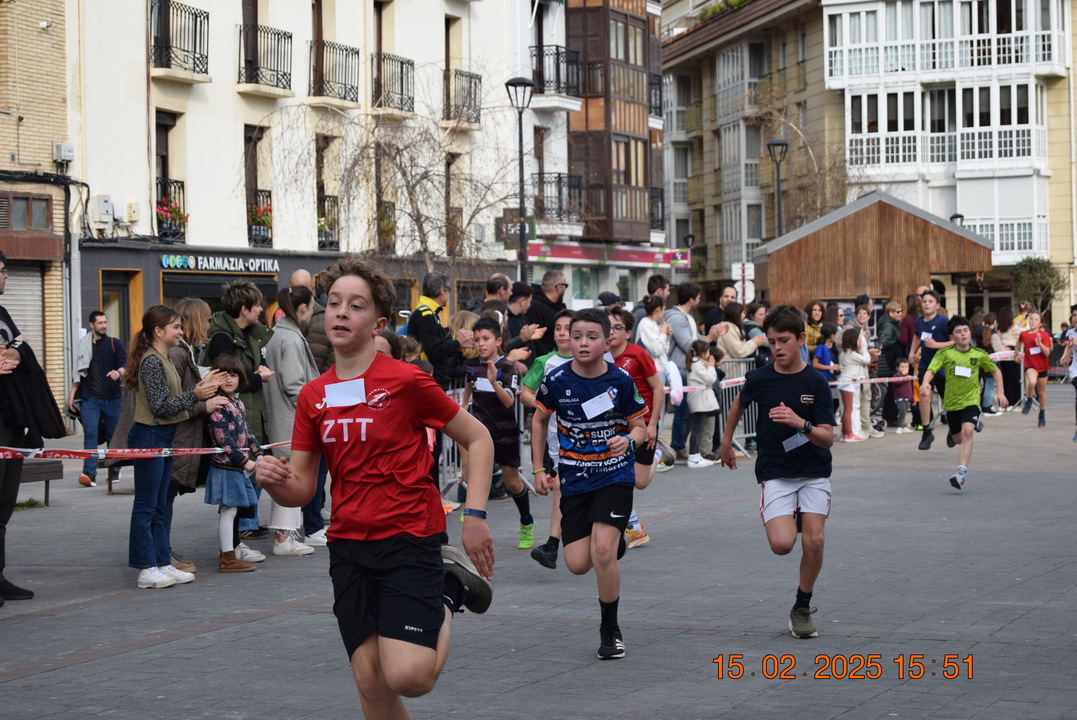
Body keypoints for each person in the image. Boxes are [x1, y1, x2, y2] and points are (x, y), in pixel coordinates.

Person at [254, 256, 495, 720]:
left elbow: (478, 438)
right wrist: (276, 483)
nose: (341, 312)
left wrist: (476, 517)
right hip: (349, 546)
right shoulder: (314, 396)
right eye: (334, 303)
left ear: (378, 323)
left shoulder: (406, 381)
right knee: (371, 681)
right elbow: (301, 488)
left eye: (356, 305)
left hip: (409, 538)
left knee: (409, 677)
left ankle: (449, 587)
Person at [531, 308, 648, 660]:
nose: (582, 343)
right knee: (578, 563)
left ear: (607, 342)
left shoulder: (620, 381)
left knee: (602, 553)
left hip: (615, 474)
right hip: (574, 478)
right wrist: (538, 469)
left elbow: (640, 428)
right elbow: (539, 421)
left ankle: (610, 631)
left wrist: (628, 441)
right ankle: (615, 542)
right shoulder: (556, 379)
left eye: (591, 337)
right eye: (576, 335)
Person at [718, 304, 835, 640]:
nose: (777, 348)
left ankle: (802, 606)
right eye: (771, 342)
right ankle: (795, 516)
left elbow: (828, 438)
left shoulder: (816, 382)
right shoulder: (761, 378)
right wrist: (726, 442)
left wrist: (801, 423)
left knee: (815, 540)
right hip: (776, 471)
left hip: (813, 470)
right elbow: (738, 404)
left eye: (784, 340)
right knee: (782, 545)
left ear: (800, 339)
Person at [125, 305, 224, 589]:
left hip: (162, 436)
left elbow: (170, 402)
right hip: (150, 436)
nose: (180, 332)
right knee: (146, 506)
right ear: (158, 331)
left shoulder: (164, 358)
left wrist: (197, 392)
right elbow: (160, 406)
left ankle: (161, 562)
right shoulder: (152, 361)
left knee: (158, 505)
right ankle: (146, 567)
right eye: (175, 327)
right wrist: (196, 395)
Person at [0, 251, 67, 605]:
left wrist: (16, 353)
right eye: (1, 271)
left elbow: (23, 346)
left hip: (11, 420)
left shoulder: (2, 312)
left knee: (4, 504)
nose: (6, 276)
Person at [208, 280, 274, 539]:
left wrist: (260, 371)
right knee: (242, 469)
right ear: (244, 309)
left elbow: (255, 367)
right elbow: (226, 378)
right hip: (232, 412)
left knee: (256, 463)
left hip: (251, 407)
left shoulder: (250, 334)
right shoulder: (222, 338)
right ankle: (243, 528)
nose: (261, 309)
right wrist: (258, 377)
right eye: (256, 305)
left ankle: (249, 522)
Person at [460, 317, 532, 549]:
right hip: (481, 432)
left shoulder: (507, 367)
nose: (481, 344)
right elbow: (469, 388)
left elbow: (509, 401)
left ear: (498, 341)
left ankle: (526, 521)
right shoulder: (471, 364)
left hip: (505, 433)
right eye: (477, 339)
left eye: (486, 339)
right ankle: (473, 512)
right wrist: (464, 406)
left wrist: (494, 382)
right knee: (474, 476)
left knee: (512, 483)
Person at [920, 315, 1008, 489]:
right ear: (952, 336)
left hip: (971, 401)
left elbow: (995, 371)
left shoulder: (979, 354)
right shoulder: (945, 353)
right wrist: (925, 383)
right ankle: (971, 424)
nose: (963, 334)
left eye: (965, 330)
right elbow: (931, 370)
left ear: (970, 332)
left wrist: (1000, 393)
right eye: (958, 332)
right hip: (952, 404)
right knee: (958, 439)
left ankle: (960, 473)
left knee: (967, 432)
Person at [264, 285, 320, 557]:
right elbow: (294, 384)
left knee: (284, 475)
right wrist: (315, 412)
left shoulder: (278, 334)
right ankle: (284, 537)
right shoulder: (293, 339)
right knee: (290, 475)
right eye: (312, 307)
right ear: (303, 308)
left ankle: (284, 535)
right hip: (291, 418)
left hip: (279, 415)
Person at [520, 309, 574, 569]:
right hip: (556, 439)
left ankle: (555, 543)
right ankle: (553, 544)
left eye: (568, 328)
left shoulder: (589, 361)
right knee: (561, 488)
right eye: (558, 328)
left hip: (588, 439)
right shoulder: (545, 361)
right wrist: (546, 405)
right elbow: (525, 394)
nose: (562, 333)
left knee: (566, 488)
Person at [408, 272, 473, 489]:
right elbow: (435, 351)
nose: (448, 295)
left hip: (433, 382)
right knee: (432, 443)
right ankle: (432, 492)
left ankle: (434, 492)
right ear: (442, 290)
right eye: (448, 290)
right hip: (428, 383)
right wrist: (457, 343)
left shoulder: (428, 313)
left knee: (434, 443)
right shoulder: (425, 314)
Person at [608, 307, 667, 548]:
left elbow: (658, 389)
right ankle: (633, 528)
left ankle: (659, 454)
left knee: (640, 482)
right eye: (608, 327)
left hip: (643, 424)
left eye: (617, 327)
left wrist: (652, 424)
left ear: (628, 333)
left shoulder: (638, 354)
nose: (611, 332)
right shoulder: (601, 356)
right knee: (616, 477)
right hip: (616, 427)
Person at [165, 297, 215, 573]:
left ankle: (164, 551)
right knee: (163, 499)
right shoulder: (177, 353)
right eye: (206, 320)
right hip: (176, 437)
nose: (208, 325)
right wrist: (205, 404)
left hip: (180, 436)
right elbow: (171, 401)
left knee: (166, 497)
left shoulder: (184, 352)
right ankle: (161, 554)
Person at [204, 354, 264, 572]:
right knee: (228, 510)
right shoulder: (219, 404)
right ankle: (227, 557)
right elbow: (222, 438)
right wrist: (244, 460)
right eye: (224, 375)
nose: (229, 379)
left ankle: (229, 552)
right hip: (226, 466)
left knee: (233, 510)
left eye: (234, 375)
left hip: (236, 467)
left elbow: (247, 432)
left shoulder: (237, 403)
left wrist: (258, 453)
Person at [665, 282, 725, 461]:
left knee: (690, 412)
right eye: (698, 297)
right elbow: (689, 346)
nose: (699, 299)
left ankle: (681, 446)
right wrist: (710, 337)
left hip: (688, 369)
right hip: (681, 369)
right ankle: (677, 447)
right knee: (683, 412)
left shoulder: (687, 317)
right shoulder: (677, 318)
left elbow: (695, 340)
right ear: (691, 299)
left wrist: (711, 336)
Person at [71, 311, 127, 488]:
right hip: (90, 399)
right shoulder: (83, 345)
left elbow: (126, 364)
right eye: (100, 323)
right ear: (91, 325)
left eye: (105, 322)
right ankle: (89, 474)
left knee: (112, 437)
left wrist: (118, 372)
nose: (104, 326)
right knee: (90, 434)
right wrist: (71, 397)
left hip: (112, 399)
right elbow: (78, 373)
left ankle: (114, 469)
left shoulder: (114, 343)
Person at [909, 290, 951, 450]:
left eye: (930, 301)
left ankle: (953, 427)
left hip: (943, 365)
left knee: (949, 400)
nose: (927, 304)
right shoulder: (919, 321)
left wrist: (937, 345)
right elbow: (916, 336)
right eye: (924, 301)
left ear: (937, 305)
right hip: (926, 365)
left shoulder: (944, 321)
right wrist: (912, 352)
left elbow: (954, 342)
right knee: (924, 393)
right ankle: (926, 430)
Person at [685, 340, 720, 469]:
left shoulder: (698, 363)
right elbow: (710, 379)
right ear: (704, 353)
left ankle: (697, 454)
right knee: (697, 429)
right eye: (708, 351)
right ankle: (693, 456)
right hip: (699, 401)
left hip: (702, 400)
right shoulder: (697, 364)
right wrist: (711, 366)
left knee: (699, 429)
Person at [1015, 311, 1052, 427]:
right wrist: (1016, 353)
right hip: (1030, 364)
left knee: (1041, 393)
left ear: (1040, 323)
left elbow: (1047, 353)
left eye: (1036, 319)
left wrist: (1040, 343)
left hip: (1042, 366)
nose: (1033, 321)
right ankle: (1029, 399)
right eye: (1031, 319)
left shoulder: (1044, 335)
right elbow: (1018, 341)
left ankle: (1042, 414)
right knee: (1032, 382)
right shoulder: (1024, 334)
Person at [837, 328, 870, 443]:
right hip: (848, 382)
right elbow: (867, 359)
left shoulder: (844, 353)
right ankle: (849, 434)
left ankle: (845, 433)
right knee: (849, 409)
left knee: (846, 408)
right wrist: (864, 348)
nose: (860, 342)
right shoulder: (851, 354)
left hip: (848, 381)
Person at [527, 270, 569, 358]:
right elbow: (533, 338)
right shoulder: (534, 307)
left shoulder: (557, 307)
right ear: (559, 288)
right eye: (566, 286)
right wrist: (547, 355)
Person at [635, 296, 671, 374]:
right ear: (658, 309)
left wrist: (667, 336)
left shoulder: (654, 324)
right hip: (652, 370)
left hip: (659, 369)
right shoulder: (646, 324)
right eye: (663, 309)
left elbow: (665, 350)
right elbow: (656, 351)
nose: (664, 313)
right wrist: (663, 334)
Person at [629, 274, 670, 343]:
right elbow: (632, 341)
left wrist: (666, 335)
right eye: (667, 290)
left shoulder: (654, 311)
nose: (668, 293)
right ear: (660, 291)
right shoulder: (642, 313)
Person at [996, 306, 1022, 411]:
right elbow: (1023, 333)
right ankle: (1014, 402)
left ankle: (1003, 403)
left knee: (1004, 379)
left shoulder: (999, 328)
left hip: (1002, 353)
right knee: (1014, 379)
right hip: (1012, 352)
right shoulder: (1014, 327)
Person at [1059, 307, 1077, 442]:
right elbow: (1070, 346)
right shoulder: (1071, 332)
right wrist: (1065, 357)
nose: (1076, 317)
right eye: (1074, 315)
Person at [891, 359, 915, 433]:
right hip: (899, 398)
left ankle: (903, 426)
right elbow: (897, 383)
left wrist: (912, 399)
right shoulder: (896, 376)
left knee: (905, 412)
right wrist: (903, 375)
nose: (904, 368)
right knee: (902, 411)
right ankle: (900, 426)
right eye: (902, 367)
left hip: (907, 398)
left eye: (906, 367)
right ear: (897, 368)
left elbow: (910, 389)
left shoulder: (909, 377)